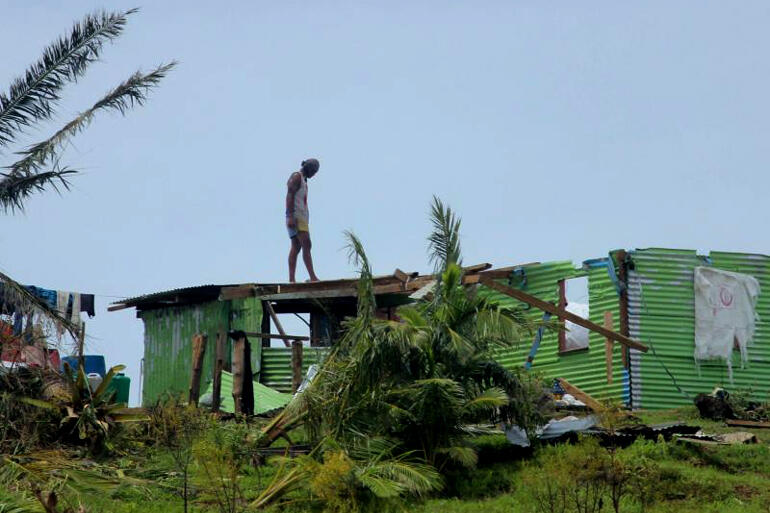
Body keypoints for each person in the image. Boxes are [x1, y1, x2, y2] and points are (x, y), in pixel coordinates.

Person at [286, 158, 320, 282]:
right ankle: (312, 277)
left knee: (296, 247)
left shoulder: (304, 181)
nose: (314, 174)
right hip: (296, 216)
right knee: (307, 244)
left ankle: (292, 280)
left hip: (301, 217)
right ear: (309, 168)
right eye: (314, 171)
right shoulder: (297, 177)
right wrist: (290, 216)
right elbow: (290, 195)